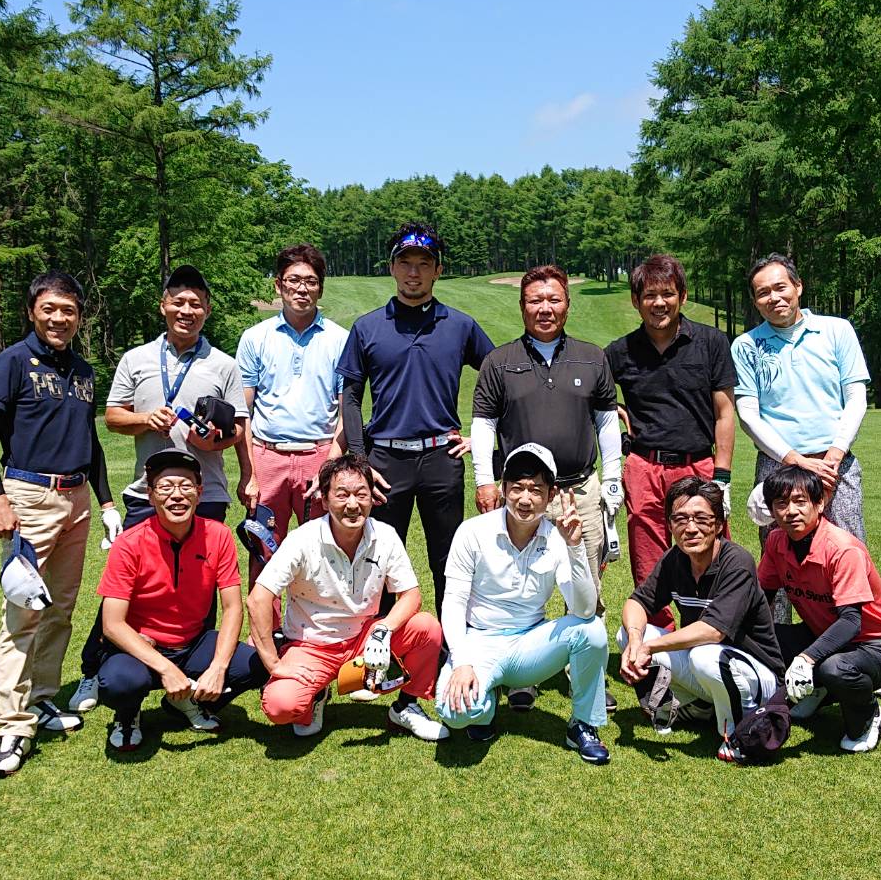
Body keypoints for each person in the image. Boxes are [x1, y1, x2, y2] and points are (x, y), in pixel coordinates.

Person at [731, 252, 881, 703]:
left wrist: (831, 456)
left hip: (836, 462)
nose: (773, 297)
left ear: (798, 287)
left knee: (850, 556)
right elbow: (748, 414)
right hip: (779, 465)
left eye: (780, 287)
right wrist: (793, 458)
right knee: (779, 562)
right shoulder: (746, 346)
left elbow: (855, 398)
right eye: (762, 293)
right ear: (754, 301)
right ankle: (771, 664)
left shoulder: (836, 331)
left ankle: (869, 660)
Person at [70, 265, 252, 714]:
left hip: (205, 491)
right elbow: (112, 416)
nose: (186, 311)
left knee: (198, 592)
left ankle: (193, 683)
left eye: (196, 304)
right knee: (125, 588)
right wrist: (142, 419)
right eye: (178, 302)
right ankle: (95, 670)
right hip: (146, 492)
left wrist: (215, 441)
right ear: (163, 306)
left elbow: (238, 429)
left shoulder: (224, 365)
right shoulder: (136, 359)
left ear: (207, 311)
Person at [0, 270, 120, 779]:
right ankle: (12, 725)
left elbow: (91, 441)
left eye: (69, 310)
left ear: (79, 316)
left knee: (60, 609)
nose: (59, 318)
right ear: (33, 310)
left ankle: (42, 699)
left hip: (77, 497)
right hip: (29, 496)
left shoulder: (82, 370)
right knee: (22, 615)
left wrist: (104, 503)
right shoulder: (12, 362)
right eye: (50, 309)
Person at [469, 263, 622, 712]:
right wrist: (483, 479)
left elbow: (607, 422)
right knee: (516, 582)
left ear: (567, 304)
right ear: (522, 306)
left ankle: (585, 674)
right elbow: (483, 424)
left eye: (554, 299)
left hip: (579, 490)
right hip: (524, 495)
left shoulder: (593, 357)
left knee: (587, 582)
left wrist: (611, 478)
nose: (545, 308)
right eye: (535, 300)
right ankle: (523, 673)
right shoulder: (500, 362)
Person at [337, 222, 493, 612]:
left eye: (424, 263)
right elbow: (351, 397)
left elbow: (498, 377)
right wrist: (359, 459)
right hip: (385, 461)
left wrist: (482, 439)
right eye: (405, 262)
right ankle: (386, 653)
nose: (413, 272)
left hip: (443, 458)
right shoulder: (367, 327)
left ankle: (449, 649)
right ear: (391, 268)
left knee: (449, 562)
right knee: (384, 562)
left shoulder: (459, 325)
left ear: (438, 270)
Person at [246, 454, 448, 740]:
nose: (353, 505)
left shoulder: (385, 535)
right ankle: (317, 695)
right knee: (281, 706)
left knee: (426, 628)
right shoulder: (303, 539)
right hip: (310, 645)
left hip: (364, 639)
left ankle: (406, 706)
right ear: (325, 500)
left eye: (361, 494)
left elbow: (411, 594)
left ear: (372, 497)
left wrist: (383, 629)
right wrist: (274, 665)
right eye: (342, 495)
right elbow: (258, 599)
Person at [435, 443, 611, 765]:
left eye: (536, 489)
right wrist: (461, 661)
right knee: (454, 711)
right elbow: (453, 604)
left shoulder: (559, 538)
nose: (526, 499)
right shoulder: (472, 532)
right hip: (479, 642)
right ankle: (484, 709)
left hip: (530, 647)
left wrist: (575, 548)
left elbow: (584, 610)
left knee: (593, 630)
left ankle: (583, 724)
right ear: (503, 489)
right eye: (517, 488)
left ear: (551, 494)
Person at [95, 449, 269, 753]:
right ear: (150, 496)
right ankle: (127, 716)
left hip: (193, 643)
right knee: (119, 682)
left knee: (256, 664)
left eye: (186, 486)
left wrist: (218, 666)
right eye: (165, 487)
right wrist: (165, 668)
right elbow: (111, 624)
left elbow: (232, 607)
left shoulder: (218, 535)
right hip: (142, 647)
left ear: (199, 493)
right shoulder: (128, 543)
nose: (177, 495)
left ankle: (186, 704)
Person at [617, 476, 784, 763]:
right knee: (629, 635)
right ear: (670, 525)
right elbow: (637, 602)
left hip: (760, 677)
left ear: (719, 524)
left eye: (701, 519)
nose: (690, 528)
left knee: (704, 656)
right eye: (680, 519)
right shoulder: (675, 559)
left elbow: (713, 631)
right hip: (714, 664)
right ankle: (696, 707)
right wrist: (635, 641)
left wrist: (650, 649)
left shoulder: (737, 561)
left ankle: (738, 732)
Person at [604, 254, 737, 612]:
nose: (658, 303)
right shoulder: (619, 352)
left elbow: (725, 412)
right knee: (648, 563)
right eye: (649, 295)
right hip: (643, 467)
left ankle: (710, 632)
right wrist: (611, 408)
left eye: (667, 293)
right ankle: (657, 640)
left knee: (709, 552)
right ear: (636, 300)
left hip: (698, 466)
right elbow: (590, 400)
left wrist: (721, 477)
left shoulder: (711, 342)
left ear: (683, 295)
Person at [758, 464, 881, 754]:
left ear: (820, 503)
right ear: (771, 512)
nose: (791, 511)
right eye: (781, 504)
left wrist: (806, 659)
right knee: (757, 637)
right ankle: (818, 690)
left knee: (834, 667)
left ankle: (867, 715)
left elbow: (851, 622)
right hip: (819, 634)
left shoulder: (842, 549)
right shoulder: (776, 542)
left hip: (873, 646)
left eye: (800, 501)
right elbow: (762, 598)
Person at [235, 244, 347, 580]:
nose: (302, 288)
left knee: (324, 552)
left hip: (320, 454)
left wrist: (330, 465)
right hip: (267, 457)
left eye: (311, 281)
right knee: (263, 549)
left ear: (320, 287)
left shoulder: (340, 340)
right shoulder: (256, 338)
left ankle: (315, 631)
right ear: (278, 285)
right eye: (293, 280)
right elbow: (245, 412)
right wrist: (249, 473)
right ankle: (263, 632)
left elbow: (347, 412)